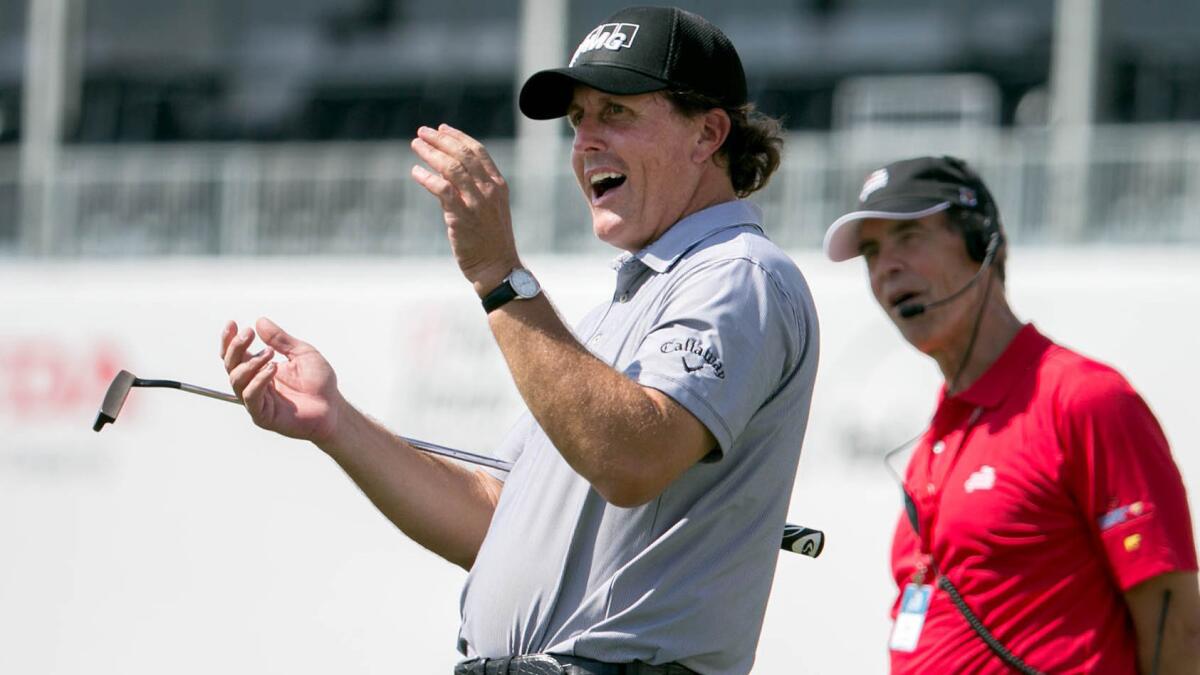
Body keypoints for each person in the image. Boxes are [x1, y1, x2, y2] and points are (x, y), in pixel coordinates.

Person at [220, 7, 818, 674]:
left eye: (615, 112)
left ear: (709, 133)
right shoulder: (621, 305)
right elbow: (492, 516)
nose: (585, 141)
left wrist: (498, 275)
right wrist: (335, 421)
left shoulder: (738, 272)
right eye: (578, 120)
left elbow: (632, 458)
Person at [823, 155, 1200, 673]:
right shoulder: (937, 439)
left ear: (983, 242)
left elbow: (1175, 624)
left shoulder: (1084, 399)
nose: (886, 267)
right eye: (871, 251)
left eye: (909, 237)